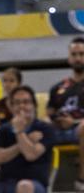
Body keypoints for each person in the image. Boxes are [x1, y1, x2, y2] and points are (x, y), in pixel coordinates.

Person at [0, 86, 55, 193]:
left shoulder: (45, 129)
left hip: (33, 183)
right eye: (17, 103)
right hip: (5, 181)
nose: (21, 106)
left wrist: (19, 132)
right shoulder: (4, 129)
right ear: (11, 107)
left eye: (26, 102)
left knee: (24, 186)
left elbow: (30, 155)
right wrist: (26, 142)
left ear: (34, 105)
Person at [47, 37, 84, 191]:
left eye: (82, 54)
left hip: (80, 130)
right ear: (69, 57)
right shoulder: (58, 87)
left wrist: (74, 123)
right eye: (74, 54)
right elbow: (49, 113)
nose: (78, 58)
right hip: (59, 131)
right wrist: (56, 121)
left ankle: (81, 180)